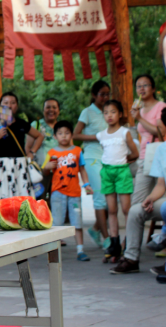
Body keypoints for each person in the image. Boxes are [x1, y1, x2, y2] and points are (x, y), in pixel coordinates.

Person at [110, 107, 166, 276]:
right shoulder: (162, 150)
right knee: (136, 211)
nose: (161, 128)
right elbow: (161, 185)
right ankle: (131, 259)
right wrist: (150, 198)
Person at [41, 120, 94, 261]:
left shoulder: (77, 151)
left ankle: (80, 250)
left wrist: (87, 184)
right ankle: (54, 253)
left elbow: (82, 169)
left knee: (77, 221)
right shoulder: (51, 153)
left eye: (66, 133)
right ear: (55, 136)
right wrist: (47, 166)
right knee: (57, 223)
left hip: (75, 192)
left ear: (71, 135)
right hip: (57, 192)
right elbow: (45, 173)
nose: (63, 136)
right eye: (60, 133)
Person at [96, 100, 139, 263]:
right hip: (106, 172)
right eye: (106, 112)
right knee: (112, 210)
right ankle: (114, 244)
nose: (109, 115)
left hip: (122, 171)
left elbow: (134, 154)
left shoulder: (124, 132)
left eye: (113, 112)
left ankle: (129, 242)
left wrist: (122, 161)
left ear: (120, 114)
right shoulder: (101, 135)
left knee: (127, 209)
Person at [0, 92, 44, 200]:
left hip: (21, 165)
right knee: (4, 199)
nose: (9, 105)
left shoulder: (22, 123)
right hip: (3, 166)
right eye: (6, 102)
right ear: (0, 105)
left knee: (23, 199)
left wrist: (32, 152)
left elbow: (39, 136)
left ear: (16, 106)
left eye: (13, 103)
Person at [73, 79, 110, 249]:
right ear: (94, 95)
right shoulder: (87, 112)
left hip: (109, 158)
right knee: (100, 199)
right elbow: (76, 135)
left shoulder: (110, 111)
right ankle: (107, 238)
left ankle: (96, 228)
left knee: (111, 199)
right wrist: (96, 137)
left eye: (107, 94)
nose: (105, 97)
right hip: (92, 158)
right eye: (102, 94)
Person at [130, 74, 166, 205]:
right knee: (137, 200)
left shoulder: (160, 106)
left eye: (145, 85)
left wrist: (139, 118)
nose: (141, 89)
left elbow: (161, 131)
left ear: (153, 89)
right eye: (138, 86)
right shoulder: (141, 109)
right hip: (144, 156)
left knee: (162, 196)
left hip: (160, 155)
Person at [26, 98, 60, 165]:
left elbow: (70, 148)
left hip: (60, 170)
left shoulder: (63, 127)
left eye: (54, 107)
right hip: (40, 169)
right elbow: (28, 147)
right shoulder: (36, 125)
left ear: (59, 111)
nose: (51, 110)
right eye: (48, 107)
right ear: (43, 110)